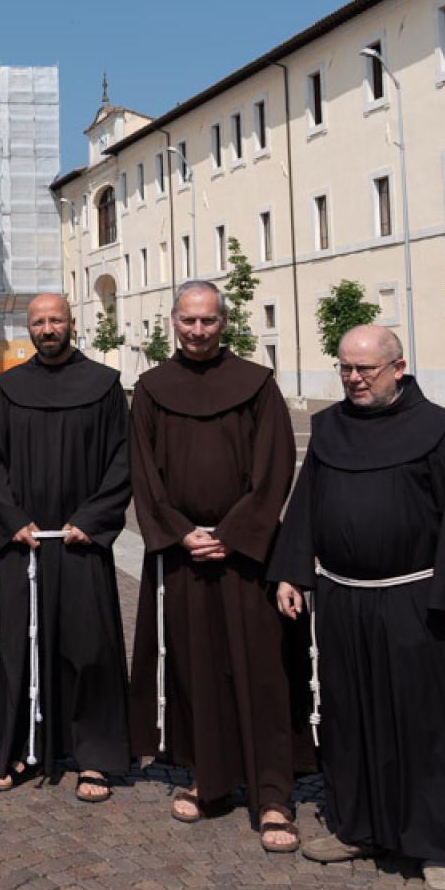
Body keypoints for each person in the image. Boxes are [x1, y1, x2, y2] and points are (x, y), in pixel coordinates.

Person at [268, 325, 445, 890]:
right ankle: (358, 826)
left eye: (364, 369)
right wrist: (292, 572)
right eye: (345, 368)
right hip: (343, 598)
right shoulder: (329, 429)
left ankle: (437, 848)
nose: (353, 379)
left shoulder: (440, 432)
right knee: (350, 716)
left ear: (398, 368)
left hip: (416, 600)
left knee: (427, 724)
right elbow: (306, 505)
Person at [126, 282, 304, 852]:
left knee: (261, 669)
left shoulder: (256, 383)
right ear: (173, 321)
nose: (197, 331)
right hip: (184, 554)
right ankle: (209, 777)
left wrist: (233, 534)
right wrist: (181, 532)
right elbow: (143, 473)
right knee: (194, 667)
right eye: (188, 321)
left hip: (246, 553)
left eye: (207, 321)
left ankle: (272, 793)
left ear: (223, 322)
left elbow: (275, 465)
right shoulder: (152, 388)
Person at [0, 292, 133, 803]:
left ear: (72, 323)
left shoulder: (104, 385)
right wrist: (12, 521)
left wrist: (92, 519)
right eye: (38, 322)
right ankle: (21, 748)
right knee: (18, 648)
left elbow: (121, 460)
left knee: (88, 648)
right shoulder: (11, 387)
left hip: (80, 541)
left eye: (56, 320)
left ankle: (94, 756)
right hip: (24, 542)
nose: (47, 329)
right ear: (28, 329)